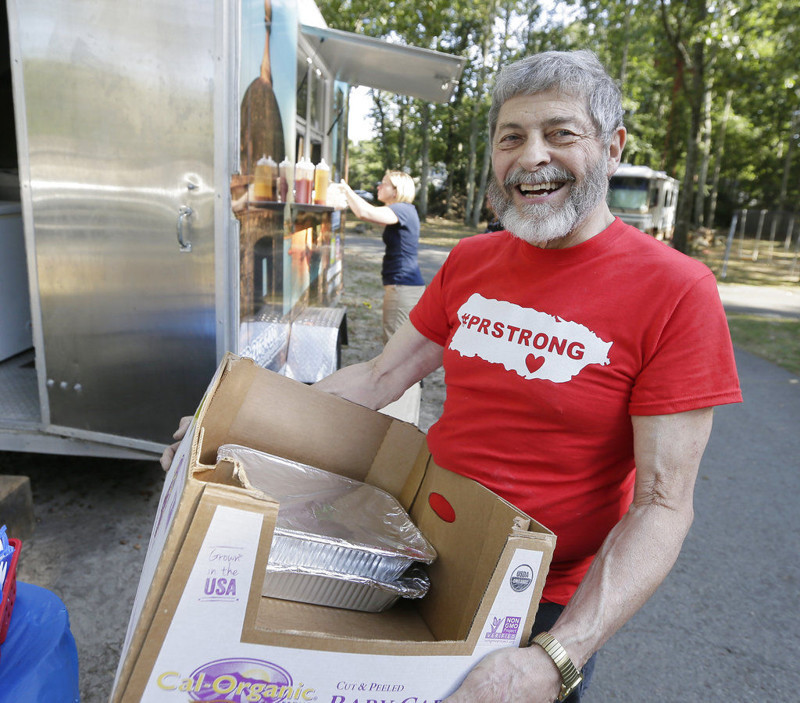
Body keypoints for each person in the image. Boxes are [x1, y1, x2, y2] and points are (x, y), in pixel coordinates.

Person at [162, 50, 742, 703]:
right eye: (511, 137)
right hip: (420, 552)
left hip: (538, 599)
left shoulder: (676, 290)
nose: (531, 156)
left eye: (561, 133)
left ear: (612, 147)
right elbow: (379, 377)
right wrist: (224, 425)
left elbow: (663, 505)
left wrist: (559, 656)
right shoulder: (472, 261)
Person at [340, 172, 426, 343]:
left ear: (396, 190)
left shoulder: (402, 209)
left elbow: (365, 213)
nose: (378, 186)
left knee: (396, 346)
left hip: (402, 286)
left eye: (384, 183)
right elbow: (369, 213)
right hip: (404, 286)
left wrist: (346, 190)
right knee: (400, 344)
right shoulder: (403, 210)